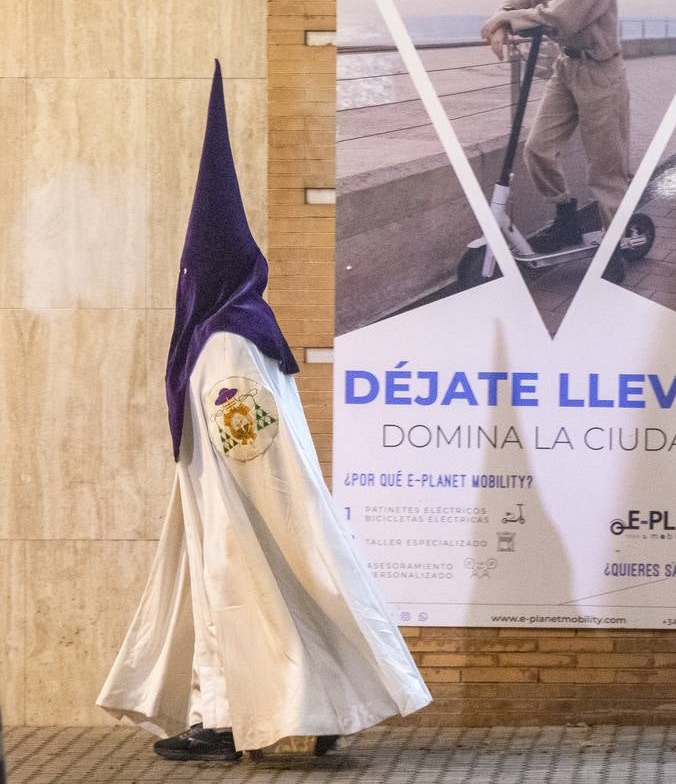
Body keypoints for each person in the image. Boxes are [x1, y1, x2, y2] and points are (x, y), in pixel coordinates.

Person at [97, 63, 432, 761]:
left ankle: (235, 721)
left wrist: (239, 511)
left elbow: (247, 442)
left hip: (238, 509)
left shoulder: (226, 342)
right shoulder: (242, 327)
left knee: (247, 610)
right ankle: (270, 711)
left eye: (191, 272)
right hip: (228, 504)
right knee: (259, 607)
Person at [480, 0, 630, 252]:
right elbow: (519, 2)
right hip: (567, 68)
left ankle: (615, 248)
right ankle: (566, 217)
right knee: (537, 150)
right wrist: (503, 20)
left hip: (601, 73)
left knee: (607, 171)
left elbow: (563, 15)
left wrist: (505, 20)